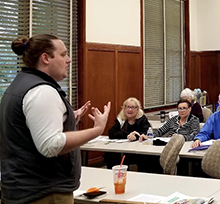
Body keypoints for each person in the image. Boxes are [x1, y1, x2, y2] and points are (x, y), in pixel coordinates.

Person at [0, 34, 111, 204]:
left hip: (23, 189)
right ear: (45, 58)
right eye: (63, 54)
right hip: (44, 193)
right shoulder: (42, 91)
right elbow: (51, 145)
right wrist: (96, 130)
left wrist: (67, 117)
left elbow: (26, 129)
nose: (69, 60)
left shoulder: (20, 85)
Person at [104, 97, 150, 169]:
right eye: (127, 107)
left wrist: (135, 136)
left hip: (138, 150)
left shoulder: (142, 119)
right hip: (122, 149)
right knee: (110, 153)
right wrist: (127, 135)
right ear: (124, 108)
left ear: (137, 109)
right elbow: (111, 133)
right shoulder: (121, 119)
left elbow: (146, 132)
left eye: (133, 107)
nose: (130, 110)